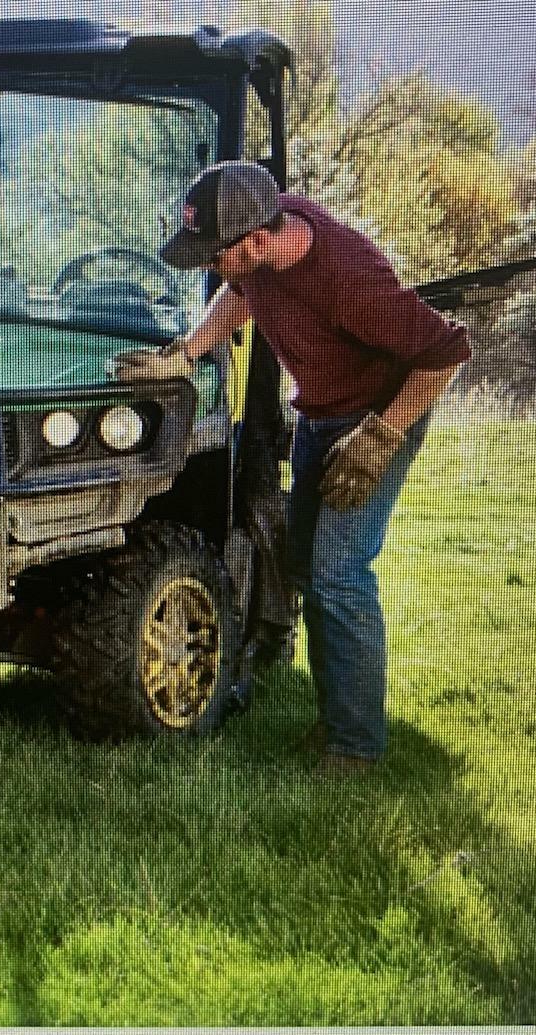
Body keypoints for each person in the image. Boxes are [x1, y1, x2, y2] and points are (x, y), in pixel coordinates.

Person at [116, 160, 469, 775]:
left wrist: (382, 436)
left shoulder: (344, 277)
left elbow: (445, 353)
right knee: (305, 566)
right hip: (321, 413)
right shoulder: (258, 252)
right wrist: (185, 353)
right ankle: (338, 719)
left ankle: (355, 748)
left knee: (339, 574)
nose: (206, 265)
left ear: (254, 240)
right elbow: (240, 293)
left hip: (375, 420)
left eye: (212, 253)